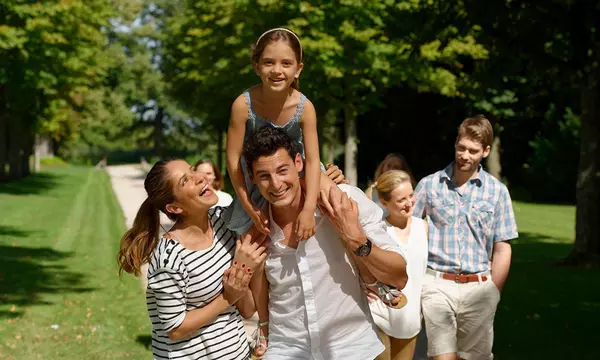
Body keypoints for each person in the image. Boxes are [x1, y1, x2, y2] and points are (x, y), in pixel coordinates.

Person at [244, 126, 409, 360]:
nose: (276, 183)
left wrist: (356, 239)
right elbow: (246, 304)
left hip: (351, 349)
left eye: (283, 170)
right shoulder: (253, 229)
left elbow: (399, 276)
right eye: (264, 176)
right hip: (287, 350)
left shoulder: (343, 202)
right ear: (252, 177)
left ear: (299, 163)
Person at [225, 27, 322, 357]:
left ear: (299, 69)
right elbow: (233, 161)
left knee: (337, 193)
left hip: (298, 178)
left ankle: (367, 280)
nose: (276, 71)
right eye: (268, 62)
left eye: (285, 63)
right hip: (256, 184)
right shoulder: (244, 104)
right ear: (256, 66)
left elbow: (313, 160)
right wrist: (249, 207)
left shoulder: (304, 108)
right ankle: (264, 325)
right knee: (256, 249)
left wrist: (309, 208)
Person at [117, 159, 268, 360]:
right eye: (185, 181)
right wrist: (227, 298)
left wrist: (245, 267)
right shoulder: (168, 258)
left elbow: (247, 309)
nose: (200, 177)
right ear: (174, 208)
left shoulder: (225, 224)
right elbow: (175, 329)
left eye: (192, 170)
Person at [413, 116, 518, 360]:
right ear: (456, 144)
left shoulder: (497, 191)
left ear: (485, 151)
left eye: (473, 151)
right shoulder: (429, 186)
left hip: (479, 288)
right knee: (443, 356)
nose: (465, 155)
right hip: (437, 284)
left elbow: (503, 247)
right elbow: (408, 233)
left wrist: (494, 292)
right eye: (461, 148)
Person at [365, 170, 428, 360]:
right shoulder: (378, 231)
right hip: (379, 317)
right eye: (401, 200)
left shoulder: (423, 227)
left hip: (410, 320)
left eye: (411, 196)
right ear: (384, 202)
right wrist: (365, 287)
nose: (409, 203)